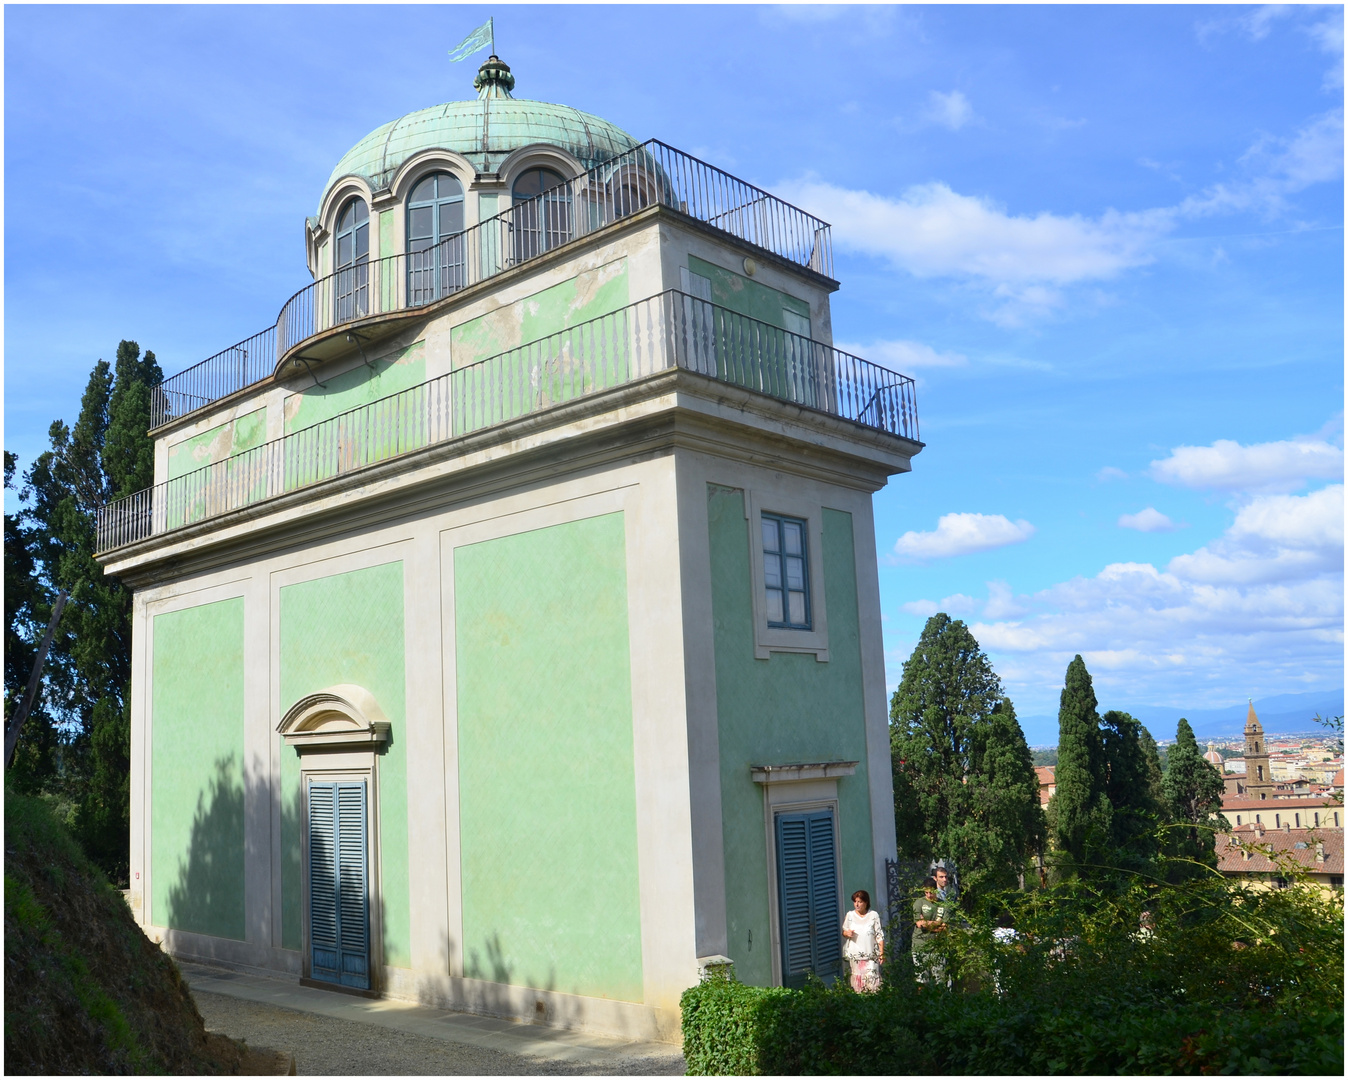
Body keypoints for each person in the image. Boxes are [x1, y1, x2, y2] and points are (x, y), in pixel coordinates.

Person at [841, 889, 884, 992]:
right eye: (855, 901)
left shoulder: (873, 915)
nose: (857, 904)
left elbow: (879, 935)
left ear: (866, 902)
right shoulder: (850, 915)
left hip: (871, 956)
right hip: (856, 957)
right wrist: (847, 933)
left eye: (860, 902)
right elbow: (844, 932)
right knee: (859, 984)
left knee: (873, 984)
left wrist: (882, 953)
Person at [911, 876, 946, 984]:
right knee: (921, 980)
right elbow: (919, 924)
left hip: (937, 946)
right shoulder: (918, 903)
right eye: (926, 893)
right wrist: (936, 923)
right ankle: (921, 1000)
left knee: (939, 979)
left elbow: (944, 927)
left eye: (931, 892)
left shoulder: (943, 904)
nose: (928, 895)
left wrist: (927, 924)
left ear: (935, 890)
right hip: (920, 945)